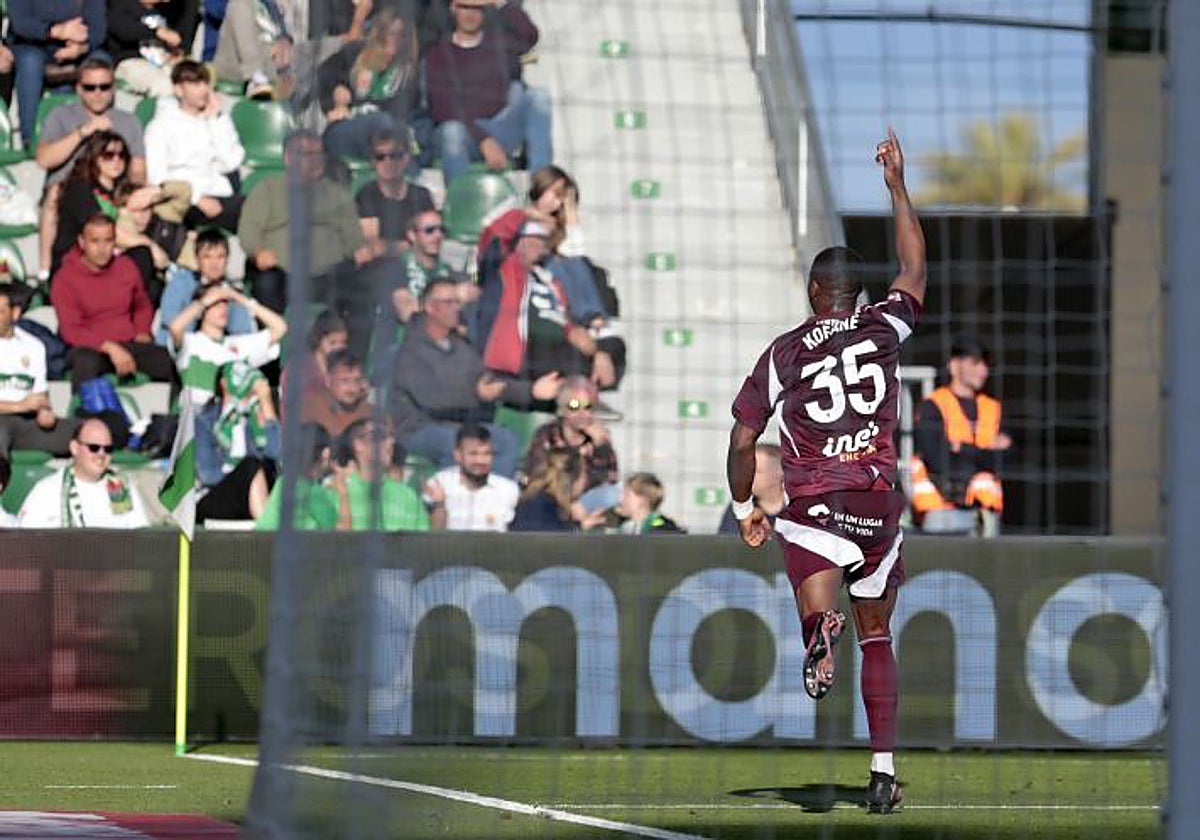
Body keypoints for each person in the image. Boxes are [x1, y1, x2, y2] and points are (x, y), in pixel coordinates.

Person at [725, 129, 925, 814]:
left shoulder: (785, 352)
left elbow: (744, 435)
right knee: (879, 635)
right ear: (857, 292)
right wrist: (896, 185)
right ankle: (883, 772)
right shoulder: (884, 327)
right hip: (877, 506)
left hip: (817, 502)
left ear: (814, 291)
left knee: (814, 589)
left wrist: (743, 507)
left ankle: (816, 630)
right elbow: (915, 267)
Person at [390, 276, 560, 477]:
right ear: (430, 307)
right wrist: (478, 393)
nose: (456, 308)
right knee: (457, 444)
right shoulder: (410, 350)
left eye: (457, 302)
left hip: (461, 427)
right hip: (420, 428)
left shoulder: (462, 346)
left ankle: (492, 493)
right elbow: (434, 399)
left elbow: (487, 381)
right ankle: (456, 494)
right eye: (448, 303)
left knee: (507, 441)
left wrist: (532, 391)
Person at [238, 129, 377, 351]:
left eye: (318, 154)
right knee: (265, 283)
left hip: (328, 275)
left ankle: (351, 363)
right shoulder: (268, 189)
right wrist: (257, 251)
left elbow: (353, 238)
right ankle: (269, 363)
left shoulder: (337, 194)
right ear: (288, 158)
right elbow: (249, 229)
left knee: (362, 288)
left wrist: (359, 249)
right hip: (283, 273)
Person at [35, 57, 146, 282]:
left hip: (111, 190)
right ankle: (46, 270)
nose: (98, 93)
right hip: (67, 192)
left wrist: (136, 196)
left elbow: (138, 170)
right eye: (90, 87)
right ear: (78, 88)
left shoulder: (128, 122)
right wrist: (83, 132)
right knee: (55, 193)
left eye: (104, 87)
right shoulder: (61, 115)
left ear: (113, 88)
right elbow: (44, 159)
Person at [479, 220, 616, 397]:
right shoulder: (506, 270)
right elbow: (492, 235)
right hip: (526, 352)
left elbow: (567, 323)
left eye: (541, 240)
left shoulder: (550, 279)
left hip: (559, 347)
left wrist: (598, 353)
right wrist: (529, 214)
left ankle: (582, 400)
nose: (535, 244)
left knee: (610, 350)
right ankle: (576, 399)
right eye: (529, 238)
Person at [424, 0, 550, 186]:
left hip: (499, 127)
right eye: (465, 7)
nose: (470, 14)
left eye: (477, 8)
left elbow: (529, 36)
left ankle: (542, 186)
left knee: (539, 97)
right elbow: (444, 109)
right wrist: (484, 139)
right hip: (464, 133)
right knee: (452, 131)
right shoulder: (438, 54)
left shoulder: (499, 44)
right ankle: (460, 198)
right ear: (454, 8)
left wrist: (501, 3)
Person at [50, 213, 176, 392]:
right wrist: (109, 347)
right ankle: (82, 409)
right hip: (88, 347)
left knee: (169, 361)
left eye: (108, 240)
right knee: (87, 364)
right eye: (95, 241)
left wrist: (142, 331)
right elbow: (72, 330)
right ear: (82, 242)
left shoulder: (126, 267)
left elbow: (141, 305)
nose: (102, 248)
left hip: (128, 342)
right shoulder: (65, 279)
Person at [909, 336, 1010, 537]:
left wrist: (961, 448)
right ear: (954, 366)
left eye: (985, 364)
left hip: (985, 517)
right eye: (975, 363)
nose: (983, 371)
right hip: (943, 513)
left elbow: (1008, 460)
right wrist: (985, 454)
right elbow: (937, 460)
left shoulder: (993, 407)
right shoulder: (933, 406)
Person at [51, 131, 166, 299]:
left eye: (122, 155)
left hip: (109, 259)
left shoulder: (120, 191)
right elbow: (104, 232)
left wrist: (157, 192)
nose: (116, 160)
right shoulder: (80, 189)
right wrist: (149, 244)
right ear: (95, 158)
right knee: (142, 254)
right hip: (77, 266)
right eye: (108, 155)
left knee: (156, 286)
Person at [144, 59, 247, 231]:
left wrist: (216, 119)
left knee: (266, 208)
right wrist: (197, 198)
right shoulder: (160, 126)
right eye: (196, 84)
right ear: (178, 89)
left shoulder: (216, 120)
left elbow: (231, 162)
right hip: (185, 200)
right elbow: (157, 178)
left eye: (205, 83)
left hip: (219, 194)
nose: (204, 89)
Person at [316, 7, 418, 161]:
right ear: (380, 34)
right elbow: (324, 74)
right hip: (345, 128)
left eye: (402, 35)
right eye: (391, 33)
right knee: (383, 125)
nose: (396, 40)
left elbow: (404, 113)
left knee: (388, 127)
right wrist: (336, 92)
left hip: (384, 134)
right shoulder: (356, 52)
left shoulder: (409, 73)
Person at [168, 276, 287, 403]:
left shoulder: (238, 344)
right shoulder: (191, 342)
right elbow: (175, 327)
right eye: (216, 304)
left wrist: (238, 297)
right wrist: (204, 301)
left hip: (228, 412)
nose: (222, 308)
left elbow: (280, 328)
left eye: (225, 302)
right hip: (196, 412)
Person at [8, 0, 107, 149]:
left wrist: (82, 48)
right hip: (31, 44)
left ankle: (102, 134)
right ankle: (30, 138)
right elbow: (21, 23)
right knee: (31, 62)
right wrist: (56, 31)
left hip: (74, 46)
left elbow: (98, 28)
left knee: (101, 62)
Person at [18, 417, 152, 527]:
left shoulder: (124, 488)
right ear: (74, 448)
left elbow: (139, 535)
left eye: (108, 449)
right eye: (94, 447)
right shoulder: (47, 491)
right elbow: (26, 541)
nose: (101, 454)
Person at [522, 375, 619, 512]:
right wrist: (578, 455)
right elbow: (539, 476)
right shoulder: (547, 434)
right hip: (551, 503)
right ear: (563, 409)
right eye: (574, 406)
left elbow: (609, 481)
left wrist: (600, 448)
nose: (582, 413)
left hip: (586, 508)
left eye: (587, 407)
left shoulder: (599, 439)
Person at [0, 283, 75, 457]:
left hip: (27, 422)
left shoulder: (34, 346)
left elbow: (40, 395)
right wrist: (20, 406)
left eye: (0, 312)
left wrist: (44, 412)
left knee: (85, 432)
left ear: (15, 313)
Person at [329, 417, 439, 531]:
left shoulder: (407, 496)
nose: (391, 442)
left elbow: (421, 539)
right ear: (358, 445)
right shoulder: (336, 491)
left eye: (391, 436)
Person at [155, 228, 256, 347]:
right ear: (197, 259)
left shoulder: (230, 291)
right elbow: (169, 317)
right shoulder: (181, 280)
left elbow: (242, 331)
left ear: (227, 259)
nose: (214, 264)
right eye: (207, 257)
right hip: (173, 346)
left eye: (220, 257)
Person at [355, 128, 435, 261]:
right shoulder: (366, 195)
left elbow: (431, 239)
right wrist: (410, 246)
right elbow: (372, 247)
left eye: (394, 156)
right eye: (380, 157)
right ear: (373, 162)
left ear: (406, 158)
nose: (388, 162)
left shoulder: (422, 195)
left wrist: (391, 247)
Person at [427, 423, 518, 531]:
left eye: (486, 454)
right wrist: (439, 504)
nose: (480, 460)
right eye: (473, 454)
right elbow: (434, 534)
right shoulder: (440, 483)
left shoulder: (508, 489)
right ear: (458, 455)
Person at [390, 209, 472, 325]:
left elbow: (471, 292)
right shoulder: (396, 267)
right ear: (412, 235)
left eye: (441, 230)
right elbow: (406, 312)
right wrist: (449, 301)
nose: (438, 235)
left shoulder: (447, 270)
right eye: (429, 230)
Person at [254, 422, 340, 531]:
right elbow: (334, 525)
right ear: (325, 453)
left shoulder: (282, 483)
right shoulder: (313, 491)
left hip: (258, 539)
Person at [510, 446, 585, 532]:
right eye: (585, 473)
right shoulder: (548, 509)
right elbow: (551, 537)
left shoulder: (529, 499)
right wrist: (577, 529)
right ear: (574, 479)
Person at [301, 348, 372, 437]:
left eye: (357, 380)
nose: (352, 388)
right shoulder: (310, 410)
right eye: (345, 381)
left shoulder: (369, 412)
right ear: (328, 381)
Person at [717, 443, 784, 535]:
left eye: (756, 471)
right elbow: (725, 541)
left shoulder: (800, 510)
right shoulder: (740, 508)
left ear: (780, 473)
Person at [613, 472, 684, 534]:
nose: (621, 499)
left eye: (627, 495)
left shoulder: (663, 529)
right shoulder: (626, 528)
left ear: (643, 499)